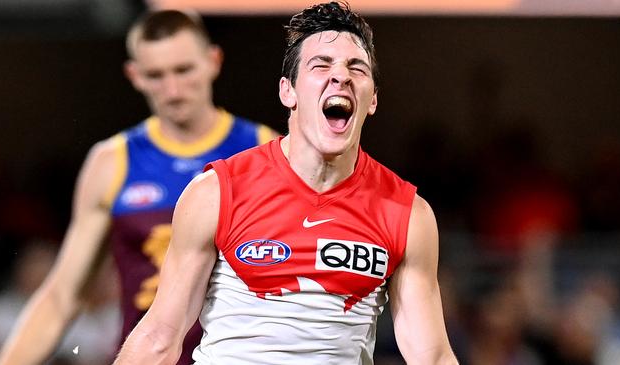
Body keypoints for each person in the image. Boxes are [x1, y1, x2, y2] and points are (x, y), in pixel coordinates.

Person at [114, 2, 458, 364]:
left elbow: (432, 356)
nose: (340, 76)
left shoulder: (407, 213)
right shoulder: (216, 192)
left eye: (356, 67)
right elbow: (159, 337)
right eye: (321, 65)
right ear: (288, 92)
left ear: (372, 100)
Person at [0, 9, 278, 365]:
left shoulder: (265, 153)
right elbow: (61, 297)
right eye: (156, 75)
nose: (173, 90)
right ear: (134, 75)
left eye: (184, 70)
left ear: (213, 61)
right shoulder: (113, 162)